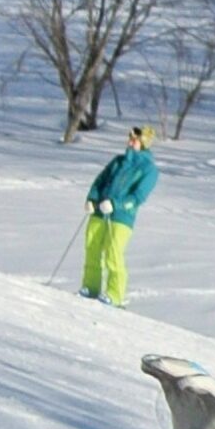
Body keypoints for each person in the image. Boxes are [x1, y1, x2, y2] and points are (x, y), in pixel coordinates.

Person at [80, 125, 159, 306]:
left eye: (135, 140)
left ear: (144, 143)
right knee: (92, 247)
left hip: (122, 217)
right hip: (100, 210)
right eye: (129, 139)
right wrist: (92, 199)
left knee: (113, 253)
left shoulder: (149, 169)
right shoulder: (118, 161)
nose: (130, 143)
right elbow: (100, 181)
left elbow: (138, 196)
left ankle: (115, 295)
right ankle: (90, 287)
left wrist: (116, 204)